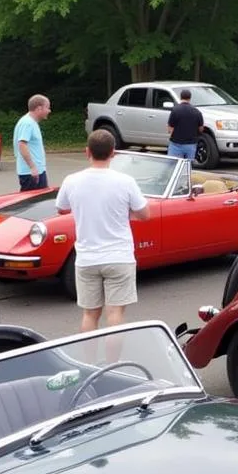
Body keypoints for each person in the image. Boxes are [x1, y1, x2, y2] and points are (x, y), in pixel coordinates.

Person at [55, 129, 150, 332]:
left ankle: (89, 362)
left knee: (90, 314)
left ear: (87, 152)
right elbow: (144, 214)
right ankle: (112, 363)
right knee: (115, 313)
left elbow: (62, 208)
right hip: (119, 256)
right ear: (113, 153)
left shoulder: (71, 180)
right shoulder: (126, 181)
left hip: (87, 257)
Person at [13, 93, 52, 191]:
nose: (49, 111)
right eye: (47, 107)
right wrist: (33, 167)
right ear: (39, 108)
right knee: (33, 204)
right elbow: (22, 144)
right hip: (31, 173)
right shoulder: (27, 123)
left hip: (36, 171)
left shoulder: (31, 122)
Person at [166, 88, 204, 160]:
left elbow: (169, 128)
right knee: (187, 166)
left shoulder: (175, 110)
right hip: (191, 144)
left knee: (173, 165)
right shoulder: (197, 112)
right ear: (190, 98)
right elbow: (201, 129)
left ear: (181, 97)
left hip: (176, 144)